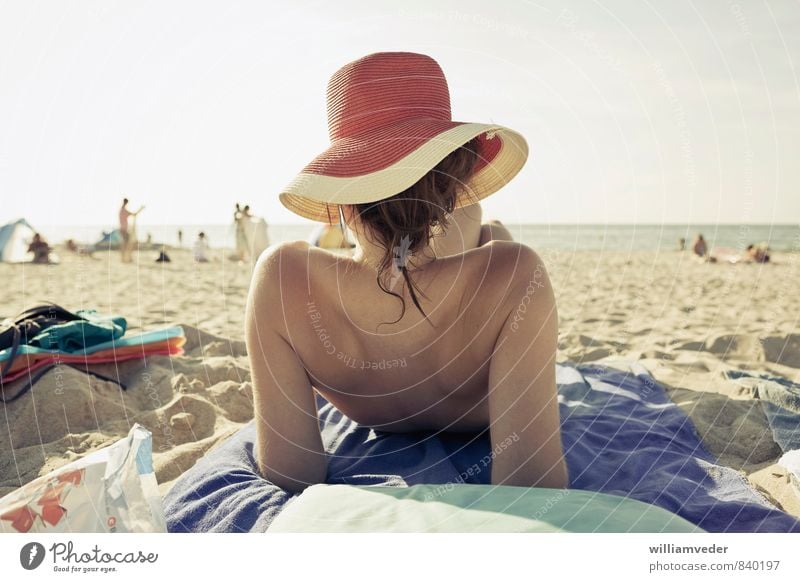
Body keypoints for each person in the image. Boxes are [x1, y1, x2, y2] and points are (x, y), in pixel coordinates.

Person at [245, 52, 567, 494]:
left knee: (480, 234)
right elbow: (536, 490)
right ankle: (437, 209)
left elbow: (289, 474)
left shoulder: (279, 280)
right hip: (477, 401)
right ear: (454, 182)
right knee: (491, 234)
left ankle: (395, 212)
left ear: (338, 197)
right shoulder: (515, 274)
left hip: (373, 407)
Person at [119, 198, 144, 263]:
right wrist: (141, 209)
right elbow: (134, 214)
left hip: (123, 229)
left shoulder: (121, 210)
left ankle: (125, 258)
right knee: (127, 244)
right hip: (124, 229)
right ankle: (126, 258)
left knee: (125, 243)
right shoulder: (123, 210)